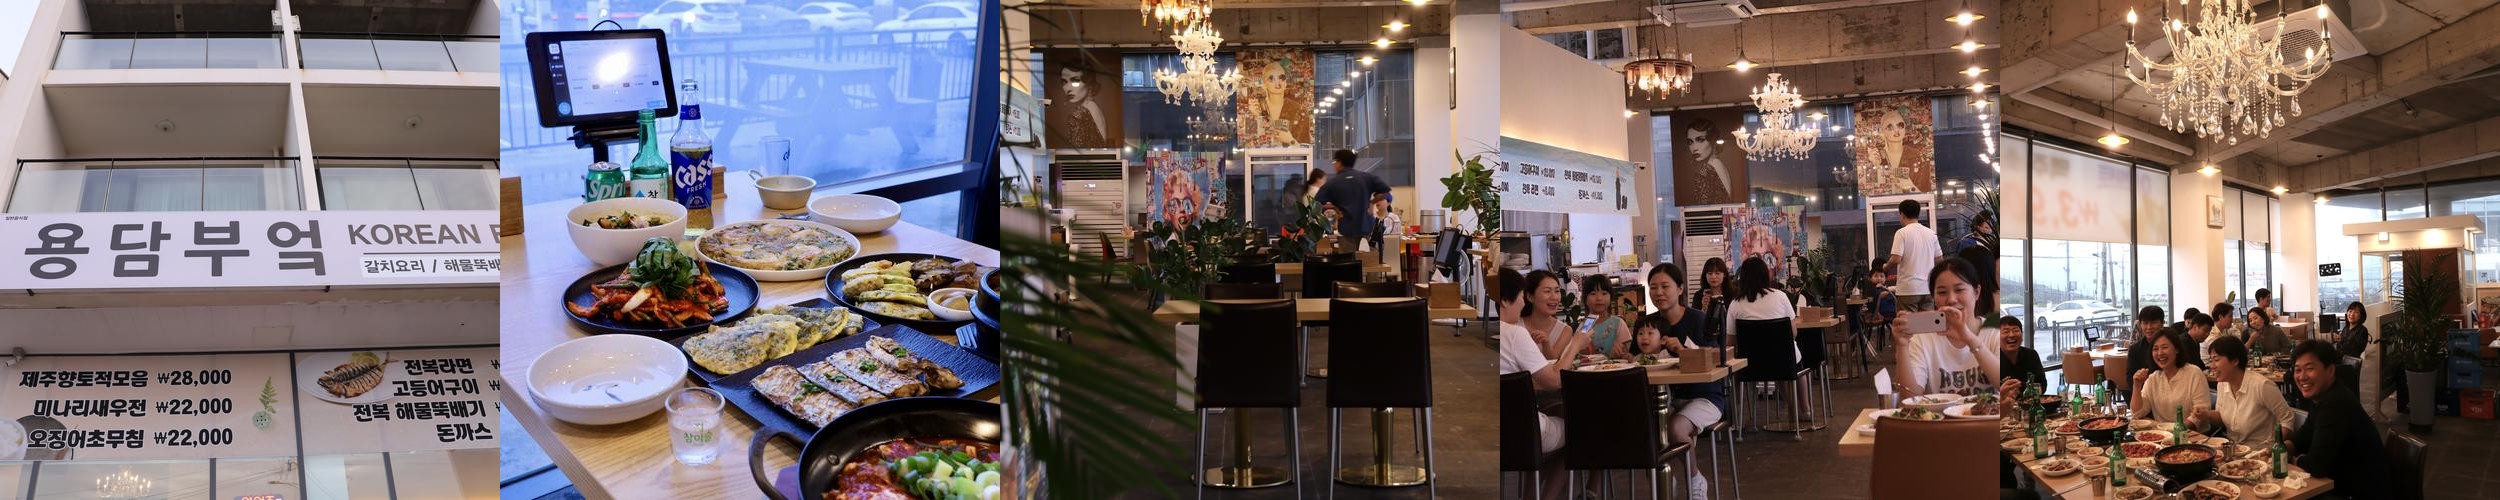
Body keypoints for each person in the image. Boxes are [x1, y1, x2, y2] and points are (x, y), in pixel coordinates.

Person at [1496, 269, 1588, 500]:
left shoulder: (1496, 334)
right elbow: (1554, 380)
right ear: (1506, 300)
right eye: (1520, 297)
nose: (1521, 305)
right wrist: (1575, 345)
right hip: (1523, 429)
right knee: (1580, 430)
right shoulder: (1515, 333)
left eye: (1557, 291)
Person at [1633, 264, 1722, 499]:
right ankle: (1664, 484)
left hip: (1704, 396)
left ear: (1680, 289)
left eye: (1665, 286)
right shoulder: (1647, 325)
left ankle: (1695, 480)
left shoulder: (1698, 320)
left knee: (1674, 428)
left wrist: (1683, 351)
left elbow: (1713, 360)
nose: (1658, 292)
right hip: (1663, 399)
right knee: (1645, 433)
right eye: (1653, 287)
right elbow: (1635, 361)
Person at [2288, 340, 2389, 499]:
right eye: (2298, 370)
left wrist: (2294, 459)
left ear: (2330, 371)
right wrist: (2282, 447)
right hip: (2343, 484)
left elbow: (2316, 466)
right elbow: (2304, 436)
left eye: (2310, 369)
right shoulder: (2321, 397)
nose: (2302, 377)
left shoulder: (2336, 402)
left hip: (2360, 492)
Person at [1889, 256, 2001, 396]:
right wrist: (1902, 346)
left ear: (1976, 292)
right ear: (1933, 297)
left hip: (1988, 411)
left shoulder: (1995, 332)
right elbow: (1909, 398)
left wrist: (1970, 339)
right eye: (1942, 292)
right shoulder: (1922, 338)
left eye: (1959, 290)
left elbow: (2003, 384)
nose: (1951, 300)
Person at [2191, 336, 2295, 448]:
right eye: (2211, 360)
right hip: (2233, 449)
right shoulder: (2222, 384)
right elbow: (2223, 418)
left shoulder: (2262, 386)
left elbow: (2287, 419)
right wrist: (2206, 414)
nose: (2212, 366)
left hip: (2260, 451)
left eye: (2216, 360)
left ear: (2235, 361)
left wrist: (2275, 447)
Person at [1313, 149, 1392, 245]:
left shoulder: (1333, 182)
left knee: (1348, 254)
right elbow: (1386, 190)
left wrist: (1335, 208)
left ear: (1339, 163)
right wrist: (1372, 202)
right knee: (1365, 253)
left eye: (1334, 162)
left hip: (1347, 229)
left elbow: (1316, 204)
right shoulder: (1366, 177)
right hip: (1366, 227)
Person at [2131, 328, 2209, 423]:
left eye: (2164, 347)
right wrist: (2137, 386)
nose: (2160, 353)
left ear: (2176, 349)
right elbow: (2137, 413)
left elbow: (2201, 411)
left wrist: (2178, 429)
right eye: (2155, 349)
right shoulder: (2153, 378)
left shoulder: (2194, 373)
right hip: (2161, 431)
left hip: (2190, 431)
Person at [1888, 200, 1942, 312]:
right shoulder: (1931, 233)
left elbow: (1895, 259)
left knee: (1908, 322)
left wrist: (1885, 267)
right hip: (1927, 288)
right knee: (1927, 322)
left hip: (1908, 289)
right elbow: (1939, 260)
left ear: (1902, 214)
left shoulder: (1901, 233)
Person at [1520, 270, 1578, 360]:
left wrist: (1546, 343)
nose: (1554, 297)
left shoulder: (1565, 331)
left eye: (1557, 291)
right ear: (1530, 297)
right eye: (1547, 291)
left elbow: (1554, 363)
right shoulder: (1514, 326)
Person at [1997, 316, 2046, 406]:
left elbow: (2043, 385)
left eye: (2015, 330)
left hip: (2030, 406)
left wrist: (2020, 386)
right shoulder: (1992, 359)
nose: (2011, 335)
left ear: (2022, 335)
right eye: (2006, 331)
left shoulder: (2031, 354)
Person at [1580, 275, 1631, 358]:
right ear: (1585, 299)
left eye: (1604, 293)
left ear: (1611, 298)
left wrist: (1620, 352)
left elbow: (1625, 354)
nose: (1599, 298)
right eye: (1593, 294)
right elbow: (1580, 353)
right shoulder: (1585, 325)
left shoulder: (1618, 323)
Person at [2125, 306, 2168, 396]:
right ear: (2140, 325)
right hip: (2145, 395)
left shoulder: (2172, 346)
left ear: (2162, 323)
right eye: (2145, 323)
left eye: (2153, 322)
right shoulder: (2135, 349)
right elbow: (2130, 378)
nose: (2149, 327)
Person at [1694, 258, 1735, 349]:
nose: (1713, 277)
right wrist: (1704, 309)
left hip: (1729, 335)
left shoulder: (1732, 293)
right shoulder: (1699, 295)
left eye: (1717, 273)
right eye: (1709, 273)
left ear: (1724, 274)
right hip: (1707, 339)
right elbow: (1696, 323)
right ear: (1705, 275)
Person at [2334, 301, 2370, 366]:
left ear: (2361, 315)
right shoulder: (2346, 328)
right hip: (2340, 360)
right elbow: (2340, 347)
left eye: (2356, 312)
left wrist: (2341, 340)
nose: (2352, 314)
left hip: (2350, 364)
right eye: (2350, 311)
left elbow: (2356, 349)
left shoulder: (2362, 330)